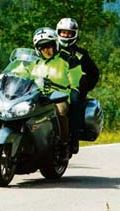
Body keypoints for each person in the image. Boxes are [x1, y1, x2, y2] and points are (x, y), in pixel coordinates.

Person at [30, 27, 82, 157]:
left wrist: (75, 90)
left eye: (49, 46)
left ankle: (64, 144)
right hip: (36, 96)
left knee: (61, 111)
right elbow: (18, 71)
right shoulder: (34, 62)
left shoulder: (66, 59)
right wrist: (3, 78)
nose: (47, 50)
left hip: (58, 96)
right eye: (42, 47)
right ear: (38, 49)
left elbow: (76, 80)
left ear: (55, 45)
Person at [56, 18, 100, 153]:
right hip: (52, 84)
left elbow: (94, 73)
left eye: (69, 33)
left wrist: (83, 87)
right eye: (63, 32)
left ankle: (73, 138)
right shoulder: (51, 49)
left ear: (75, 34)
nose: (65, 36)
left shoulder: (81, 54)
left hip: (71, 87)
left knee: (74, 102)